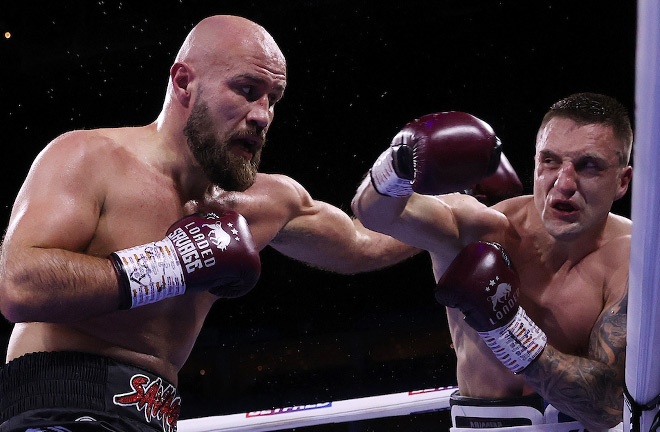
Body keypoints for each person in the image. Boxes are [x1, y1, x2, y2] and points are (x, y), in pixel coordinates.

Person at [0, 15, 426, 432]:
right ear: (184, 82)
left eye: (272, 99)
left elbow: (362, 242)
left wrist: (457, 203)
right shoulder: (88, 157)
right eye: (247, 90)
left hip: (155, 415)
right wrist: (172, 264)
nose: (262, 115)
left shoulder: (267, 202)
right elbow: (20, 285)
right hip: (56, 406)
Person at [351, 93, 632, 431]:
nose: (564, 183)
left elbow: (609, 406)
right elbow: (376, 215)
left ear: (622, 181)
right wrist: (396, 165)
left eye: (589, 166)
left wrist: (507, 329)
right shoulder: (482, 227)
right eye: (550, 161)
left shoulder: (631, 259)